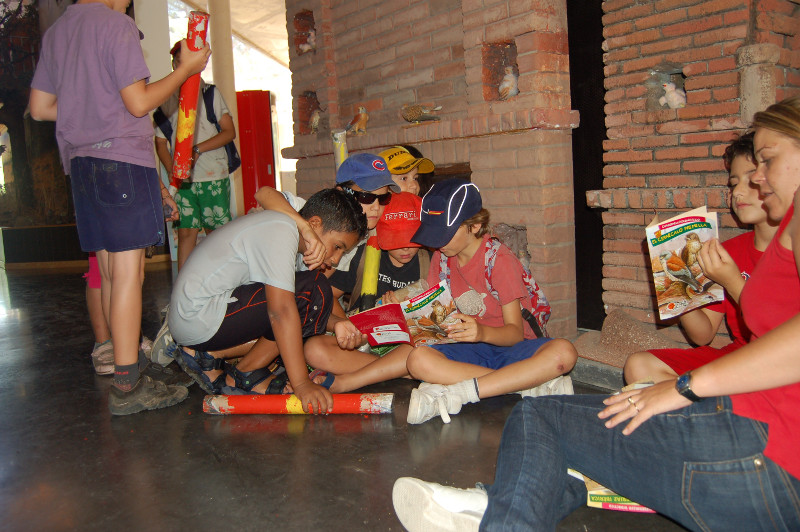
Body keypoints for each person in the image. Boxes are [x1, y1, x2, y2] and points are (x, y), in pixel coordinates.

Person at [392, 96, 800, 531]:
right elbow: (713, 333)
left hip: (764, 448)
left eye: (766, 160)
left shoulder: (498, 259)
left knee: (540, 415)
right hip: (754, 434)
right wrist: (680, 281)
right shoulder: (441, 262)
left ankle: (493, 508)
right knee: (562, 421)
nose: (754, 180)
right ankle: (496, 504)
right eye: (744, 172)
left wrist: (685, 388)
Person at [28, 0, 211, 415]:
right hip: (122, 161)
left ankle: (128, 363)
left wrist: (88, 110)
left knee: (110, 268)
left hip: (82, 165)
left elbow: (40, 108)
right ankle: (128, 383)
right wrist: (185, 68)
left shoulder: (58, 31)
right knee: (129, 272)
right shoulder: (116, 25)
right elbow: (138, 102)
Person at [309, 179, 577, 425]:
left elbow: (515, 334)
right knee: (418, 360)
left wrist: (481, 332)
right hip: (467, 352)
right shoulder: (442, 258)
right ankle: (522, 385)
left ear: (474, 226)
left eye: (443, 234)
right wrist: (412, 318)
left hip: (509, 350)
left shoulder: (499, 261)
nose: (436, 243)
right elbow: (438, 320)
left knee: (565, 352)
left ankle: (464, 390)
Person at [168, 188, 367, 409]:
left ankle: (235, 366)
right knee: (312, 288)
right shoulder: (282, 229)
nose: (337, 259)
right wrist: (301, 384)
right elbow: (280, 311)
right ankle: (247, 372)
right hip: (198, 317)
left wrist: (338, 323)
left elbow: (301, 310)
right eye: (337, 246)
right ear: (314, 223)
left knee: (308, 297)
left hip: (198, 319)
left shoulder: (294, 244)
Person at [625, 132, 778, 384]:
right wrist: (678, 288)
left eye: (751, 180)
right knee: (639, 366)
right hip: (739, 356)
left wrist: (732, 281)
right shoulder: (729, 251)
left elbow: (779, 331)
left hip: (775, 362)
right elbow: (703, 335)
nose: (738, 192)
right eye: (733, 183)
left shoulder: (791, 251)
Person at [303, 191, 431, 375]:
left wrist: (405, 312)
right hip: (364, 344)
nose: (405, 247)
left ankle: (387, 371)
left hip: (404, 346)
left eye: (412, 239)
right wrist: (348, 327)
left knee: (426, 352)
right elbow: (328, 295)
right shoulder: (362, 256)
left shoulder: (428, 260)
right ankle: (396, 372)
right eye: (397, 239)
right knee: (315, 348)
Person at [155, 41, 237, 270]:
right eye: (178, 61)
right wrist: (174, 168)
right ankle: (183, 291)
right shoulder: (167, 99)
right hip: (184, 182)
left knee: (218, 233)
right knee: (186, 233)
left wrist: (197, 149)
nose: (182, 65)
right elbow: (160, 141)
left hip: (213, 175)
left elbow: (229, 132)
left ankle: (225, 284)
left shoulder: (210, 94)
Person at [254, 153, 400, 279]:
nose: (376, 207)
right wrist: (306, 228)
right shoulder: (310, 214)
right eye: (366, 197)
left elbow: (316, 283)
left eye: (383, 199)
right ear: (342, 192)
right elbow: (263, 193)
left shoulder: (359, 238)